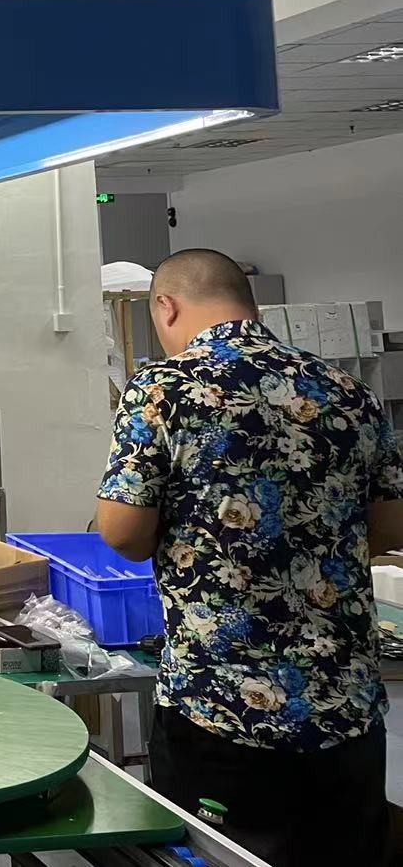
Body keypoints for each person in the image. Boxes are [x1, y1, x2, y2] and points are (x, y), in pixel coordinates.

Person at [96, 248, 403, 867]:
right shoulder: (348, 392)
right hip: (345, 706)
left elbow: (123, 533)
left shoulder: (164, 390)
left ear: (166, 306)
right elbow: (389, 526)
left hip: (223, 706)